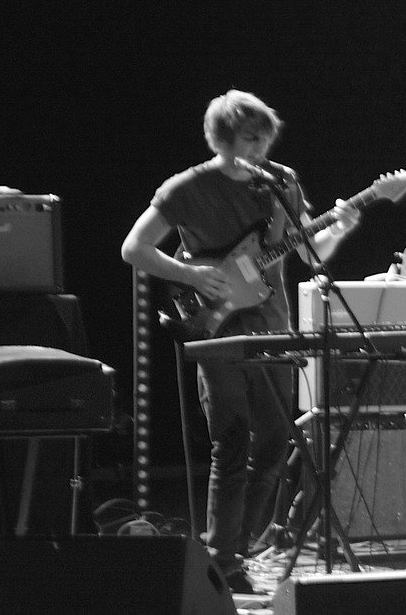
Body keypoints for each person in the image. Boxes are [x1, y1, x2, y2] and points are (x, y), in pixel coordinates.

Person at [121, 89, 361, 593]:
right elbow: (134, 247)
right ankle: (222, 560)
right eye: (250, 138)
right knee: (231, 440)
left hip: (272, 323)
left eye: (264, 138)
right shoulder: (187, 188)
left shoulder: (281, 182)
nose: (259, 148)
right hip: (217, 327)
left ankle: (239, 546)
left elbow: (310, 252)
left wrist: (340, 228)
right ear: (223, 138)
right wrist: (191, 275)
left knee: (274, 440)